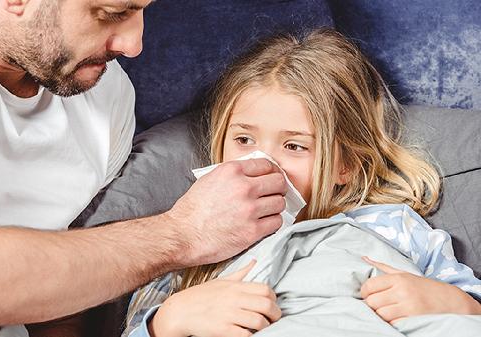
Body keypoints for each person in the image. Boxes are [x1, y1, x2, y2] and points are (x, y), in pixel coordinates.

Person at [0, 0, 289, 336]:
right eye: (111, 13)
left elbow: (61, 304)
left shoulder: (107, 100)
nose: (134, 45)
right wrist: (182, 233)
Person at [123, 28, 481, 337]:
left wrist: (452, 303)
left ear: (347, 166)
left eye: (294, 146)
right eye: (244, 140)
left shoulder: (393, 227)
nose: (261, 163)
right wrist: (172, 317)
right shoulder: (195, 243)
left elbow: (469, 309)